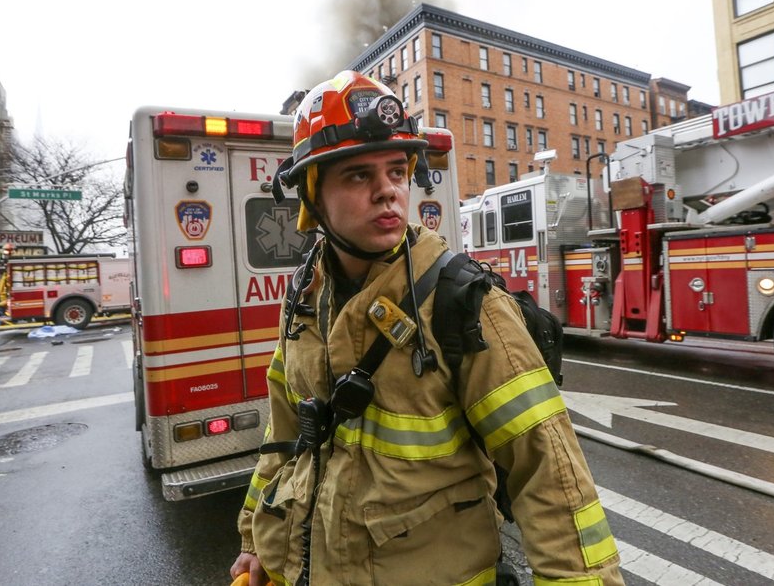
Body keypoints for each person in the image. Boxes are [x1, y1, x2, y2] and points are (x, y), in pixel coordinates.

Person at [230, 71, 623, 586]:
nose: (387, 192)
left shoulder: (463, 301)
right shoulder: (308, 295)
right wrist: (254, 539)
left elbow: (549, 472)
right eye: (357, 176)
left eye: (397, 171)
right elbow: (285, 434)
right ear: (312, 195)